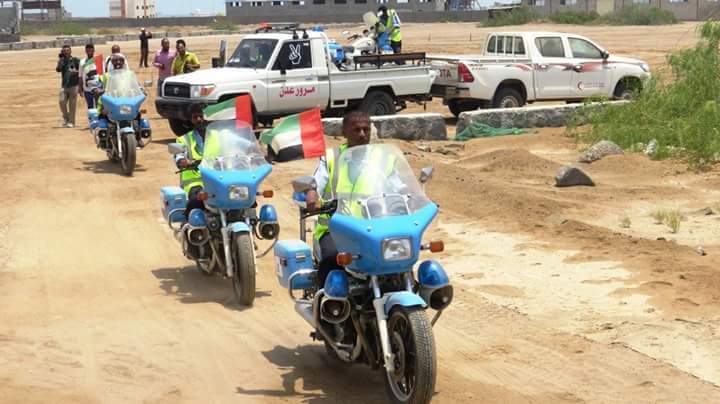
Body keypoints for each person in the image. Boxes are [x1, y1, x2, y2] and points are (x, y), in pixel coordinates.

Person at [305, 110, 373, 287]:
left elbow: (400, 186)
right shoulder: (331, 157)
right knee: (331, 257)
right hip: (336, 229)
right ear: (344, 133)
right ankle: (328, 306)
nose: (362, 135)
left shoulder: (382, 157)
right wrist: (312, 195)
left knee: (399, 256)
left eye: (366, 130)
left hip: (374, 226)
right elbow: (315, 182)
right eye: (356, 130)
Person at [175, 104, 209, 219]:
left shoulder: (216, 137)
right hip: (195, 184)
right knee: (195, 201)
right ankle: (189, 224)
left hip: (218, 181)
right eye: (195, 117)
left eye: (201, 116)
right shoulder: (183, 139)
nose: (199, 119)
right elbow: (179, 157)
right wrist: (183, 162)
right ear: (191, 120)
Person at [56, 44, 80, 128]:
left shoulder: (75, 60)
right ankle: (66, 117)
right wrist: (61, 60)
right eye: (64, 51)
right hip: (64, 85)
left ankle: (71, 122)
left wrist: (75, 72)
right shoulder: (62, 61)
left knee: (72, 105)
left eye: (67, 50)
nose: (66, 52)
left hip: (74, 85)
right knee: (61, 102)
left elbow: (81, 71)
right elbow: (58, 70)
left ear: (70, 51)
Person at [79, 43, 101, 110]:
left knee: (99, 107)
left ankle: (99, 120)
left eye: (91, 49)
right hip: (87, 89)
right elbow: (80, 76)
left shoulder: (98, 60)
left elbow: (102, 75)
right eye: (88, 49)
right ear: (85, 51)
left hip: (98, 88)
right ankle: (91, 120)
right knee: (90, 107)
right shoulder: (82, 62)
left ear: (94, 50)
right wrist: (80, 89)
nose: (89, 50)